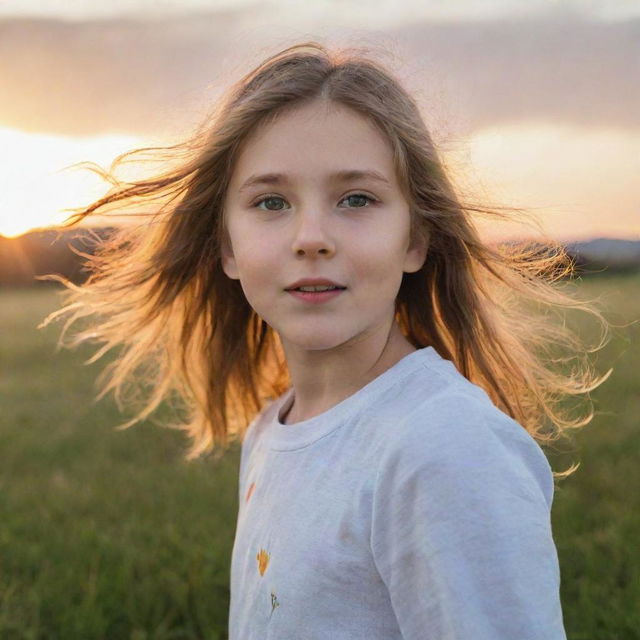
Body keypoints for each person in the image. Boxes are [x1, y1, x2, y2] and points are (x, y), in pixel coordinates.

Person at [42, 42, 607, 639]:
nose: (311, 237)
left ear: (415, 239)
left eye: (356, 199)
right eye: (271, 202)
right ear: (228, 248)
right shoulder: (271, 431)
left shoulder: (445, 447)